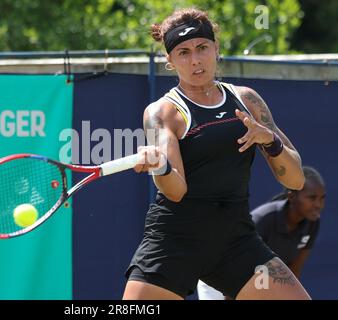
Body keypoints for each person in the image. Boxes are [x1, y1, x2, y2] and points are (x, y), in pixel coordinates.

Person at [122, 7, 311, 300]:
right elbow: (175, 190)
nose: (195, 60)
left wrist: (270, 140)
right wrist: (160, 167)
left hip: (235, 241)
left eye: (202, 48)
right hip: (175, 242)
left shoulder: (248, 100)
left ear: (216, 48)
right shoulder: (162, 113)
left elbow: (296, 180)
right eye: (183, 52)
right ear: (170, 61)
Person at [197, 166, 326, 299]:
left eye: (322, 198)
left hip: (253, 280)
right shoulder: (264, 219)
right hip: (220, 277)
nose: (318, 204)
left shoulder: (312, 223)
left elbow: (294, 272)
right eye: (312, 198)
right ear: (291, 196)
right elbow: (236, 263)